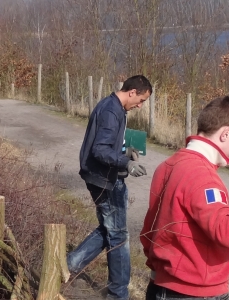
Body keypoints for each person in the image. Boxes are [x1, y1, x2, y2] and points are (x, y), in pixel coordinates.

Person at [141, 96, 229, 300]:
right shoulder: (202, 175)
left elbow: (151, 228)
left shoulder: (168, 166)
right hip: (192, 292)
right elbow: (227, 231)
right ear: (226, 133)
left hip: (163, 285)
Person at [67, 75, 152, 300]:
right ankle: (118, 294)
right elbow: (100, 149)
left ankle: (69, 266)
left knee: (108, 229)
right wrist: (127, 163)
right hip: (104, 180)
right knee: (118, 236)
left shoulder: (113, 107)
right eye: (141, 100)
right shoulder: (111, 111)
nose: (140, 106)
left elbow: (108, 144)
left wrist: (126, 151)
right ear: (132, 91)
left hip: (101, 177)